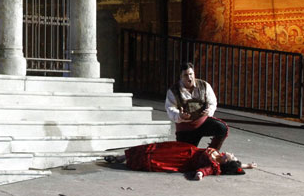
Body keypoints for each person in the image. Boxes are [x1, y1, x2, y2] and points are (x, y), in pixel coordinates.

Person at [105, 141, 255, 181]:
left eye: (232, 156)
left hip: (181, 159)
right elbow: (237, 166)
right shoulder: (219, 155)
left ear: (226, 161)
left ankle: (124, 159)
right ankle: (122, 156)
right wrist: (247, 165)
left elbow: (205, 170)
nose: (232, 154)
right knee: (155, 147)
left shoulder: (214, 165)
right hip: (182, 148)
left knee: (155, 157)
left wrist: (200, 174)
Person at [166, 62, 228, 150]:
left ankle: (211, 154)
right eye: (185, 75)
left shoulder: (204, 85)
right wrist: (180, 115)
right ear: (181, 77)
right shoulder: (173, 91)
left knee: (222, 128)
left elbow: (212, 102)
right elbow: (170, 109)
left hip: (202, 123)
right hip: (185, 129)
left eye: (191, 74)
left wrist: (209, 111)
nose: (189, 77)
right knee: (185, 154)